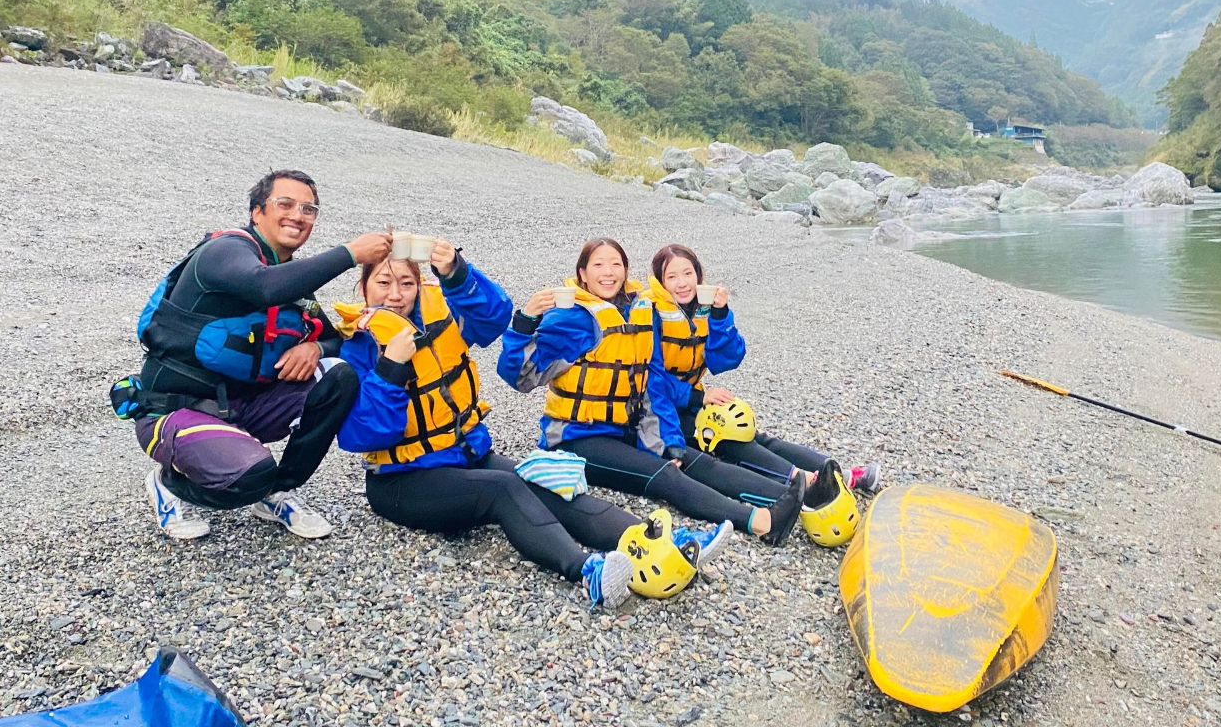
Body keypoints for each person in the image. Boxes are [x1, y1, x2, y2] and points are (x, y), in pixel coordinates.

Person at [336, 250, 727, 608]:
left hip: (466, 454)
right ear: (363, 286)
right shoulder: (357, 347)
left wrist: (456, 270)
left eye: (406, 283)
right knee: (503, 489)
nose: (396, 295)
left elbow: (493, 316)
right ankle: (586, 571)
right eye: (383, 283)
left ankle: (653, 540)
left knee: (548, 481)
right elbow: (361, 436)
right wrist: (391, 368)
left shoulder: (436, 321)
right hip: (402, 481)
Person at [130, 169, 392, 541]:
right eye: (285, 204)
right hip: (173, 412)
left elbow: (334, 340)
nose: (298, 215)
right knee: (250, 477)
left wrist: (315, 347)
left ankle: (277, 493)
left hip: (241, 411)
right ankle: (169, 484)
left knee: (339, 374)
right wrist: (350, 254)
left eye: (308, 209)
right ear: (257, 212)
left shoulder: (290, 277)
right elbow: (262, 286)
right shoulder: (224, 251)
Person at [498, 238, 805, 546]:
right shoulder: (571, 318)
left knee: (694, 460)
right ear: (582, 274)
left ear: (626, 270)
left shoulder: (637, 312)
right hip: (577, 438)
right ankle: (761, 522)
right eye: (598, 265)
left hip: (626, 427)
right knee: (666, 475)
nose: (608, 272)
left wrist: (666, 440)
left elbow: (649, 383)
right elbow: (519, 376)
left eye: (616, 264)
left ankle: (795, 499)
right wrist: (525, 321)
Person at [642, 243, 882, 494]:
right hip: (658, 407)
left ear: (698, 275)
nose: (682, 283)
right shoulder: (652, 313)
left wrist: (720, 315)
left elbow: (727, 359)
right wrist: (697, 399)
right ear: (660, 282)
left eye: (688, 273)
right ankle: (805, 479)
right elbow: (651, 379)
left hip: (689, 399)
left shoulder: (700, 308)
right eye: (672, 277)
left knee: (753, 435)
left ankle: (839, 472)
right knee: (727, 436)